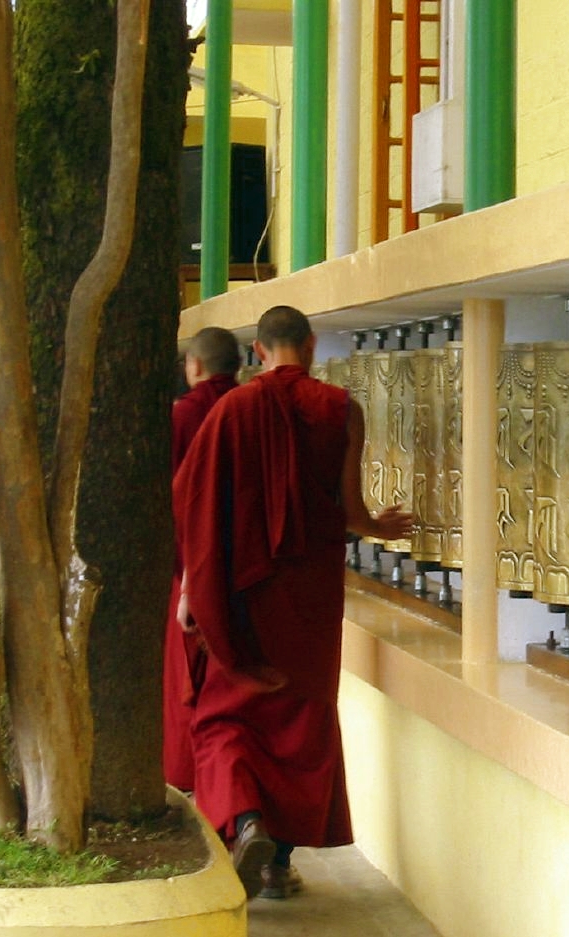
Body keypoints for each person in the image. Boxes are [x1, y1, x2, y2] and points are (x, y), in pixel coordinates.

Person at [173, 305, 413, 901]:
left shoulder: (231, 410)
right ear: (309, 345)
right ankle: (277, 865)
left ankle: (246, 821)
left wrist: (190, 589)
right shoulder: (342, 409)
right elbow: (351, 509)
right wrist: (383, 529)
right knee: (300, 724)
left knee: (227, 717)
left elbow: (195, 504)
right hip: (309, 597)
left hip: (243, 596)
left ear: (258, 350)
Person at [164, 327, 242, 792]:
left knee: (189, 687)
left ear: (193, 365)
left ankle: (192, 781)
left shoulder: (182, 417)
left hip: (189, 569)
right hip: (250, 570)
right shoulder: (252, 410)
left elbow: (175, 501)